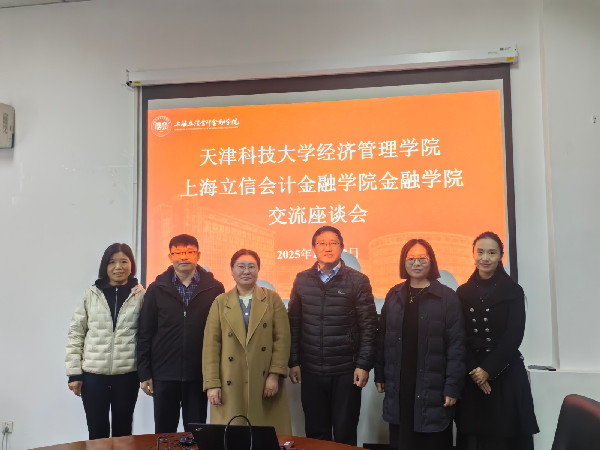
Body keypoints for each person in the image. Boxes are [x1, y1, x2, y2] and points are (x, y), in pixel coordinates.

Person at [288, 225, 378, 446]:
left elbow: (369, 326)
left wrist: (364, 365)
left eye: (333, 243)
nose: (327, 248)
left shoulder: (358, 281)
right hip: (311, 369)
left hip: (346, 370)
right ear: (313, 248)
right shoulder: (302, 280)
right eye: (322, 243)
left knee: (345, 434)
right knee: (316, 434)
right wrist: (294, 361)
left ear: (342, 247)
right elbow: (294, 324)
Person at [374, 239, 466, 450]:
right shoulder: (394, 295)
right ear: (403, 262)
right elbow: (382, 338)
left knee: (432, 439)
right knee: (402, 440)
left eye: (422, 258)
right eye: (411, 258)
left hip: (433, 385)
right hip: (400, 384)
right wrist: (380, 374)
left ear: (431, 261)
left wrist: (452, 386)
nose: (416, 263)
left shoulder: (447, 297)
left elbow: (457, 346)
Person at [455, 232, 539, 450]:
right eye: (480, 252)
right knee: (473, 435)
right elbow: (458, 335)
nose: (485, 258)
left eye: (491, 253)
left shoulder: (513, 291)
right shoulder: (462, 292)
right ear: (473, 254)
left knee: (505, 436)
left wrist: (488, 370)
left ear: (501, 256)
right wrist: (476, 371)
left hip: (505, 371)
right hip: (472, 373)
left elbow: (514, 335)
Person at [137, 234, 225, 433]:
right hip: (164, 374)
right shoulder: (156, 289)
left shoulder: (215, 288)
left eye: (189, 252)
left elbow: (221, 333)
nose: (184, 257)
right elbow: (145, 332)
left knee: (196, 434)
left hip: (198, 374)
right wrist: (145, 372)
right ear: (170, 257)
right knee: (164, 433)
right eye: (178, 253)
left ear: (198, 255)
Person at [202, 249, 292, 434]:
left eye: (252, 266)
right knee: (232, 437)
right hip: (230, 382)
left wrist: (274, 375)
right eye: (241, 266)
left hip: (264, 380)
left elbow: (282, 340)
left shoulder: (272, 299)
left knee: (264, 437)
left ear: (258, 270)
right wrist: (212, 384)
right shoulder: (220, 302)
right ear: (232, 270)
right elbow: (211, 346)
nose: (246, 271)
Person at [65, 243, 145, 440]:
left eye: (124, 261)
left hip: (127, 375)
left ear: (131, 265)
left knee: (123, 433)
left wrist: (146, 373)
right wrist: (74, 373)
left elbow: (146, 336)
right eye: (112, 262)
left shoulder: (140, 295)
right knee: (97, 432)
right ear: (105, 266)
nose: (118, 267)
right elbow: (76, 333)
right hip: (93, 376)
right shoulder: (91, 294)